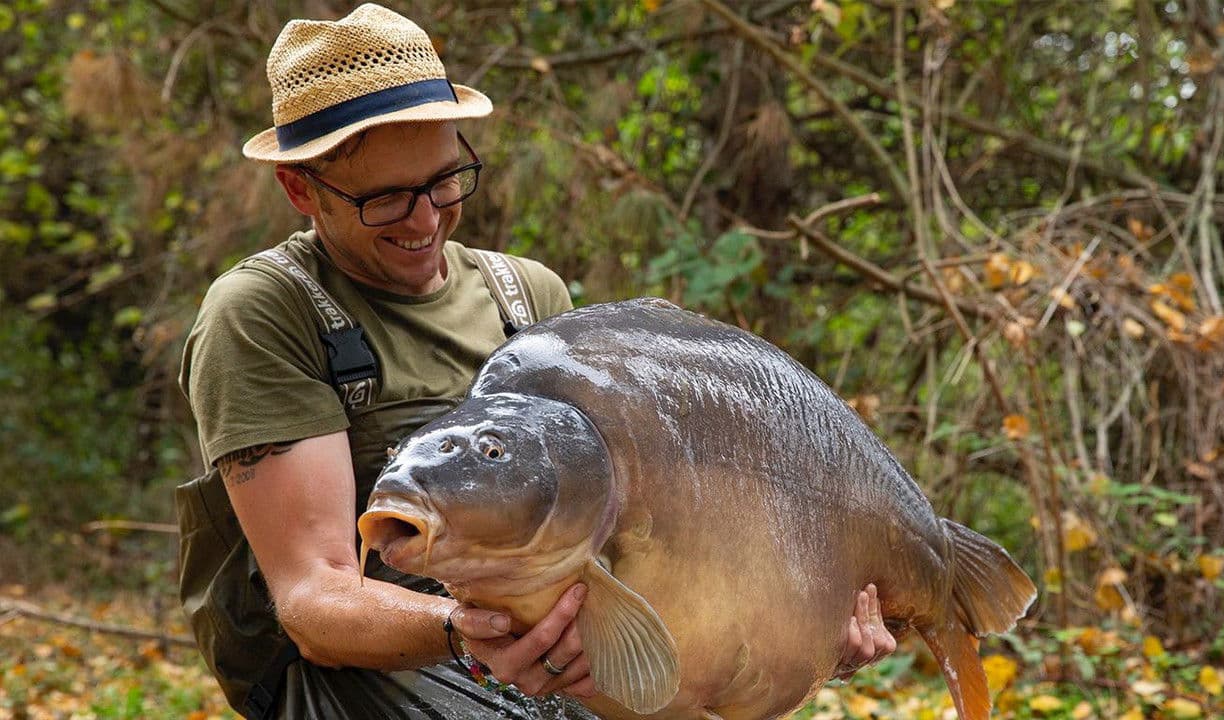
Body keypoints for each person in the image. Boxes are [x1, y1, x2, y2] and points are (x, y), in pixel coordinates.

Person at [176, 4, 895, 719]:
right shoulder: (265, 312)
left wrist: (801, 624)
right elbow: (314, 598)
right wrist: (471, 633)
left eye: (444, 181)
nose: (425, 220)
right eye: (386, 199)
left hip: (544, 670)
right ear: (300, 189)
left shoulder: (528, 298)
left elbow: (639, 554)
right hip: (359, 682)